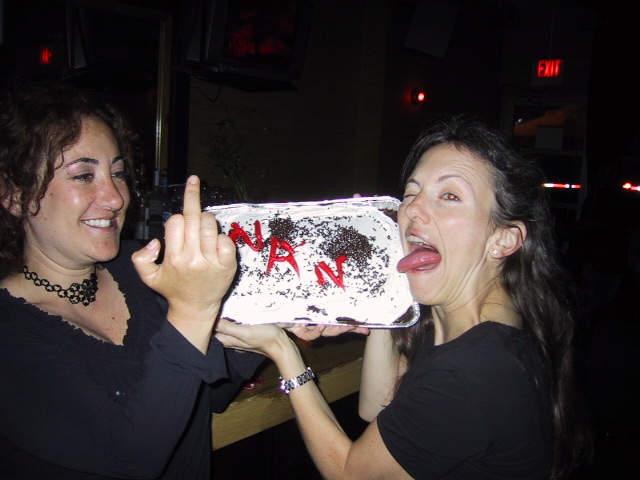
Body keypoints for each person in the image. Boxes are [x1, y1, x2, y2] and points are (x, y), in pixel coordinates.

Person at [215, 115, 592, 479]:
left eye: (449, 196)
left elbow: (350, 475)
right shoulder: (468, 329)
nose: (412, 209)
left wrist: (281, 350)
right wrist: (380, 292)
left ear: (504, 239)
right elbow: (376, 405)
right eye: (411, 193)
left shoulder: (475, 368)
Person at [0, 80, 264, 479]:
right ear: (15, 196)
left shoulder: (139, 267)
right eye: (83, 175)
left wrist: (268, 323)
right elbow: (132, 456)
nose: (116, 197)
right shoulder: (10, 331)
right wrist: (193, 309)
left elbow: (204, 397)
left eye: (118, 173)